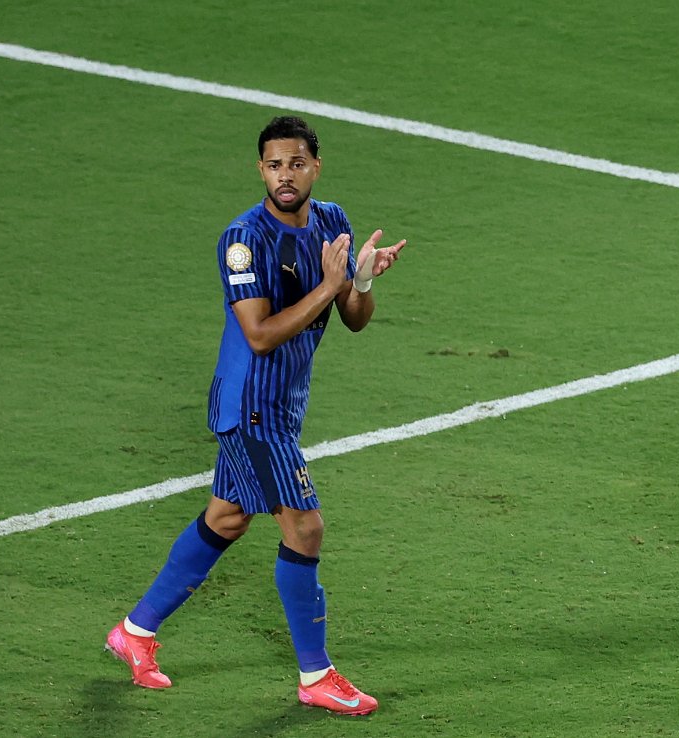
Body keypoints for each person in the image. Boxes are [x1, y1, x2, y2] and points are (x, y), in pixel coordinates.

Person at [105, 115, 407, 715]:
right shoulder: (243, 239)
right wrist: (329, 284)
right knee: (305, 527)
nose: (285, 175)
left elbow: (352, 318)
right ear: (260, 169)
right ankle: (316, 677)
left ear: (316, 166)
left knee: (227, 518)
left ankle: (134, 633)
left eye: (297, 163)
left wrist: (362, 283)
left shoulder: (332, 221)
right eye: (274, 165)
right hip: (251, 408)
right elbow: (261, 335)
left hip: (285, 405)